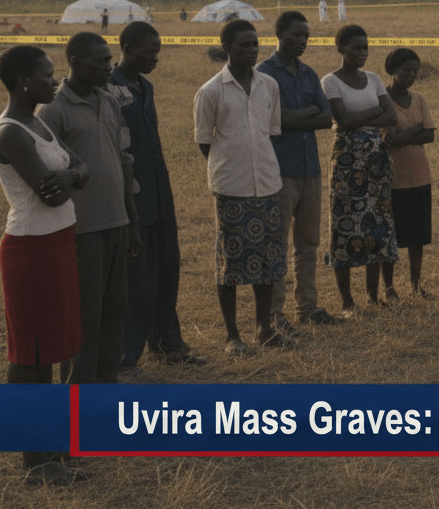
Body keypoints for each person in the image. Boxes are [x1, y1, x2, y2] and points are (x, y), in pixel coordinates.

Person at [0, 46, 87, 484]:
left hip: (57, 242)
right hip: (31, 249)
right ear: (22, 82)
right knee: (29, 356)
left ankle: (48, 448)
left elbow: (79, 170)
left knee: (52, 347)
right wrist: (73, 177)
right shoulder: (11, 132)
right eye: (47, 76)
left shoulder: (39, 124)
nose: (55, 82)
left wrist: (71, 176)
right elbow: (50, 193)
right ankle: (34, 461)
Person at [39, 33, 138, 384]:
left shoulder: (109, 101)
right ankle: (77, 404)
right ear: (77, 63)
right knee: (85, 322)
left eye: (110, 60)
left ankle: (104, 399)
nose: (109, 67)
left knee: (115, 316)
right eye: (100, 61)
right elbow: (49, 177)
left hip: (116, 223)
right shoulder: (53, 112)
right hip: (82, 230)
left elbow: (121, 163)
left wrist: (131, 221)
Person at [193, 19, 293, 355]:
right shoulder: (211, 92)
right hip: (231, 186)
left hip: (266, 183)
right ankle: (232, 335)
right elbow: (205, 142)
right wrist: (232, 163)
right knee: (231, 264)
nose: (251, 51)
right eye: (243, 45)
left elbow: (271, 131)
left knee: (267, 261)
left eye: (254, 45)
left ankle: (264, 327)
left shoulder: (269, 86)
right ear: (226, 48)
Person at [112, 23, 201, 373]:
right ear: (127, 48)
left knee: (167, 272)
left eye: (158, 51)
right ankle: (128, 355)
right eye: (148, 51)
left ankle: (169, 343)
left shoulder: (145, 87)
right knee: (139, 280)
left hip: (160, 195)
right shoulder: (110, 90)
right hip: (133, 200)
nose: (155, 58)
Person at [256, 11, 342, 329]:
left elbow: (327, 117)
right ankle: (275, 314)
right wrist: (307, 112)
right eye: (296, 35)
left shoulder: (308, 74)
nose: (303, 41)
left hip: (310, 170)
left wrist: (295, 115)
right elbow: (272, 121)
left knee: (308, 244)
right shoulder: (263, 75)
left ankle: (307, 307)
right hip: (279, 171)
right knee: (276, 244)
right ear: (278, 34)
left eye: (307, 35)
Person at [322, 25, 399, 312]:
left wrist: (359, 119)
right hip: (346, 163)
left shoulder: (374, 78)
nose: (362, 53)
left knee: (376, 228)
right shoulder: (330, 81)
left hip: (376, 164)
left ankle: (372, 295)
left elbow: (391, 116)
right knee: (344, 229)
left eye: (365, 47)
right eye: (355, 48)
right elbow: (342, 120)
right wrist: (371, 115)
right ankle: (347, 301)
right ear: (340, 48)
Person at [384, 48, 437, 298]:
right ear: (392, 70)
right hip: (392, 179)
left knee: (418, 237)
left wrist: (404, 135)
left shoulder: (419, 98)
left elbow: (431, 134)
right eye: (406, 70)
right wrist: (416, 130)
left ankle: (416, 286)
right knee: (391, 238)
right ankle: (389, 288)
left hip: (419, 177)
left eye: (415, 71)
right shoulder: (382, 99)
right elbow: (388, 140)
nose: (411, 75)